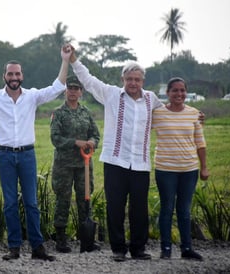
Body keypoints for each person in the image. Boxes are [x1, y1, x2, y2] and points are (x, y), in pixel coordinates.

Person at [0, 46, 72, 261]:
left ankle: (37, 247)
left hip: (27, 156)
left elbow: (57, 87)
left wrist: (65, 60)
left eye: (17, 73)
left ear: (22, 76)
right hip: (4, 156)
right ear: (4, 76)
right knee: (10, 203)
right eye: (10, 73)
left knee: (31, 203)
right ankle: (14, 247)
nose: (14, 77)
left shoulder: (31, 96)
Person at [67, 45, 162, 262]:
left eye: (137, 79)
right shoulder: (111, 94)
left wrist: (195, 117)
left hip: (140, 163)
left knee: (140, 209)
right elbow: (88, 80)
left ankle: (138, 249)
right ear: (123, 79)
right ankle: (118, 249)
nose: (133, 83)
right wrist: (73, 59)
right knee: (115, 207)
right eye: (129, 79)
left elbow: (169, 115)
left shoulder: (151, 99)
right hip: (115, 161)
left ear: (143, 81)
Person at [152, 77, 209, 261]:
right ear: (167, 93)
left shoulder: (194, 114)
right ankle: (166, 248)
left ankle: (187, 248)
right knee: (167, 208)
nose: (179, 94)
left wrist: (204, 168)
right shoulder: (158, 113)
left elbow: (200, 143)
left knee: (184, 210)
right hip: (165, 168)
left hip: (189, 169)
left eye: (182, 90)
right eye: (175, 90)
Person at [50, 75, 100, 253]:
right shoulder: (59, 113)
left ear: (81, 91)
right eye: (70, 88)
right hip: (64, 165)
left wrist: (93, 142)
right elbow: (55, 139)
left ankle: (86, 240)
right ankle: (61, 240)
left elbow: (95, 134)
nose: (72, 91)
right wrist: (75, 142)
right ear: (66, 91)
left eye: (76, 88)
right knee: (63, 200)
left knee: (84, 201)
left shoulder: (86, 112)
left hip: (83, 165)